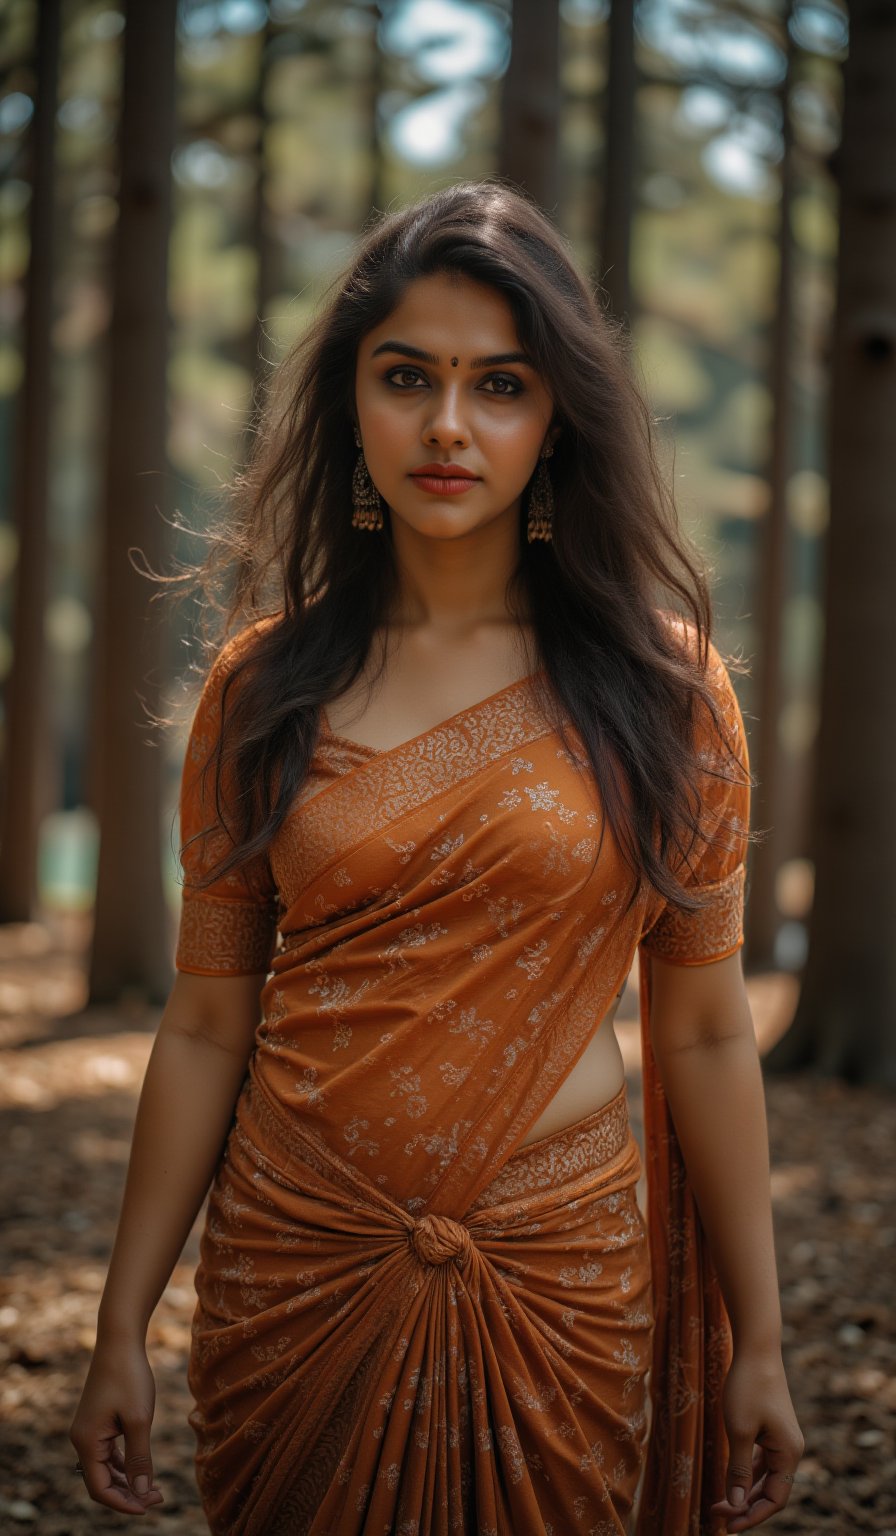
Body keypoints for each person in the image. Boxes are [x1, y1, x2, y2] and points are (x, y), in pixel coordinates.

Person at [70, 180, 803, 1535]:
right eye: (408, 377)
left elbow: (702, 1030)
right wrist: (122, 1320)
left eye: (501, 385)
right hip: (294, 1266)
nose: (450, 426)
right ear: (352, 397)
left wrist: (760, 1339)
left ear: (558, 417)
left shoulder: (661, 691)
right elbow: (206, 1018)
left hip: (555, 1274)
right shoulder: (265, 687)